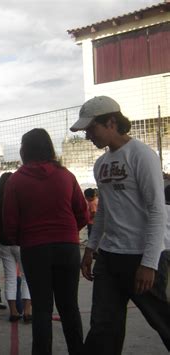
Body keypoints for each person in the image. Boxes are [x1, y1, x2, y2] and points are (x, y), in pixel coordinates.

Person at [70, 96, 170, 353]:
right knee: (103, 327)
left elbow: (157, 211)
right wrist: (91, 249)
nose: (88, 136)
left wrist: (149, 263)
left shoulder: (142, 155)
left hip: (142, 257)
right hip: (110, 257)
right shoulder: (101, 165)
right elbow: (104, 210)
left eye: (91, 129)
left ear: (111, 122)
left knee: (163, 321)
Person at [2, 128, 88, 355]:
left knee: (41, 308)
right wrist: (68, 233)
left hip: (34, 248)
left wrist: (25, 238)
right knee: (69, 306)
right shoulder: (66, 175)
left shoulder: (16, 180)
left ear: (25, 150)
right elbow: (82, 213)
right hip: (67, 248)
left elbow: (9, 223)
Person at [0, 172, 32, 322]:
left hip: (4, 241)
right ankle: (27, 310)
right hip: (22, 240)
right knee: (27, 276)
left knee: (10, 277)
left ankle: (14, 312)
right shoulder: (22, 196)